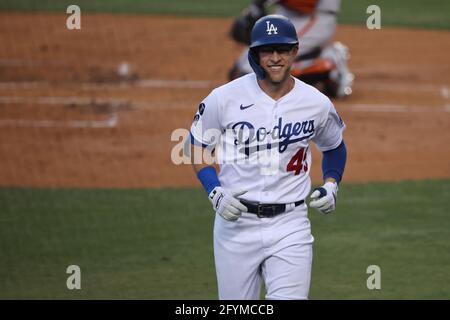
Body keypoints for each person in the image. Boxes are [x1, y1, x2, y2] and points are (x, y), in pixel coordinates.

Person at [190, 15, 347, 299]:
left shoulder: (315, 103)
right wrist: (214, 191)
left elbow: (334, 145)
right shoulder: (224, 98)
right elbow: (198, 145)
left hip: (291, 225)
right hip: (235, 224)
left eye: (282, 49)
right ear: (254, 54)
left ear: (295, 52)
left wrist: (332, 183)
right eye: (267, 50)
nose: (275, 58)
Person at [229, 0, 354, 98]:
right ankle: (318, 59)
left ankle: (331, 66)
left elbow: (306, 3)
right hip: (284, 15)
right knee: (241, 70)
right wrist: (256, 8)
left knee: (255, 72)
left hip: (312, 18)